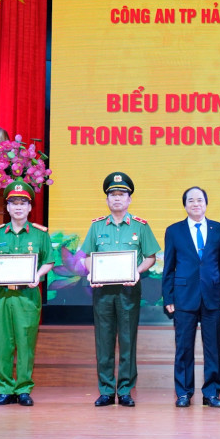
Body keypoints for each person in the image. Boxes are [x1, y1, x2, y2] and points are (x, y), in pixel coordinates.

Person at [81, 172, 160, 407]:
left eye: (122, 194)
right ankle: (106, 390)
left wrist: (137, 271)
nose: (117, 198)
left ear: (129, 199)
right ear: (107, 199)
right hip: (102, 292)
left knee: (127, 340)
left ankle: (125, 390)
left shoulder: (140, 226)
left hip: (128, 290)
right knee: (104, 340)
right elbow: (87, 256)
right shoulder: (97, 226)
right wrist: (91, 273)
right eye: (113, 194)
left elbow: (151, 257)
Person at [0, 181, 54, 407]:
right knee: (2, 343)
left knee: (25, 343)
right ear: (8, 207)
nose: (19, 207)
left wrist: (38, 275)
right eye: (14, 203)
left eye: (23, 203)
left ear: (30, 207)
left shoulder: (40, 234)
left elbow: (49, 261)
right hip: (1, 296)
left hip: (27, 297)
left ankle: (23, 389)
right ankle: (5, 389)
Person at [162, 187, 220, 408]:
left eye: (200, 200)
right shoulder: (174, 231)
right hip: (184, 296)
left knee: (213, 348)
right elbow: (169, 266)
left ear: (206, 203)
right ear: (185, 205)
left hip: (213, 295)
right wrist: (168, 297)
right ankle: (183, 393)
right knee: (183, 348)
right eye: (191, 200)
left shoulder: (219, 229)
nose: (195, 204)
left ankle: (211, 393)